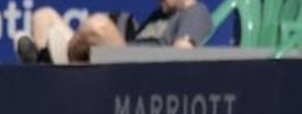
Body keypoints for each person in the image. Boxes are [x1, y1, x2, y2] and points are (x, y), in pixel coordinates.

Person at [14, 0, 213, 64]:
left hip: (136, 72)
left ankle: (49, 60)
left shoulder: (195, 11)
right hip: (118, 56)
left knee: (98, 25)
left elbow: (180, 59)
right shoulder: (158, 15)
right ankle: (47, 65)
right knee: (44, 17)